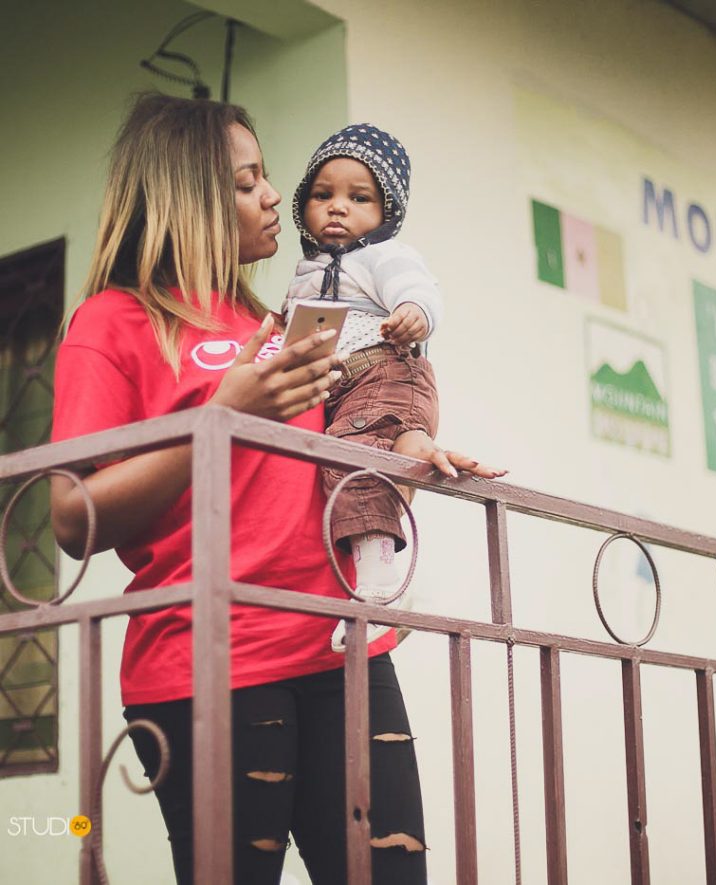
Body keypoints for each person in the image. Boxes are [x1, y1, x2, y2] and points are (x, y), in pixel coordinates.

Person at [48, 93, 499, 885]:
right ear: (190, 196)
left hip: (341, 646)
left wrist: (405, 446)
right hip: (208, 662)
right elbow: (71, 516)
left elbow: (340, 437)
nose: (272, 196)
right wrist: (218, 418)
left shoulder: (286, 314)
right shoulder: (111, 323)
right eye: (247, 180)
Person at [283, 123, 441, 653]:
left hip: (386, 371)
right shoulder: (305, 271)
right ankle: (393, 580)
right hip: (346, 388)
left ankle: (380, 591)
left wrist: (414, 312)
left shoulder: (382, 255)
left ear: (386, 212)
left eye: (359, 198)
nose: (337, 207)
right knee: (346, 467)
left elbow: (419, 288)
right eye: (322, 195)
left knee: (354, 465)